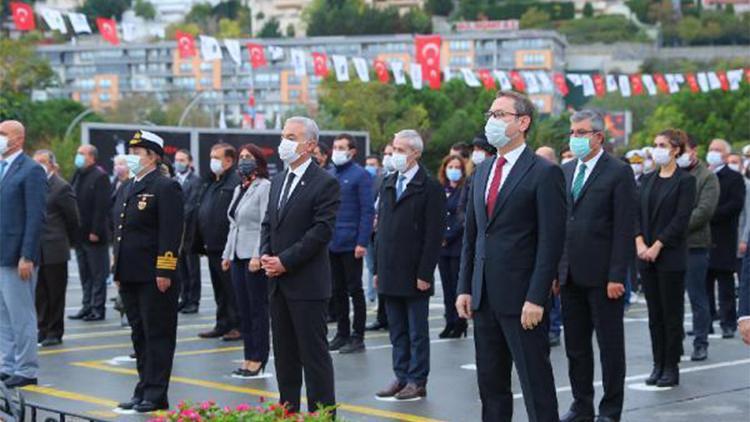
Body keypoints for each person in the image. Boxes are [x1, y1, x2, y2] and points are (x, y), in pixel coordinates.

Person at [457, 91, 565, 422]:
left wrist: (537, 296)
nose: (492, 121)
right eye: (490, 114)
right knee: (491, 386)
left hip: (523, 301)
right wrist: (465, 287)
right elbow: (473, 236)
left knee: (536, 384)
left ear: (523, 122)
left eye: (501, 115)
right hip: (484, 296)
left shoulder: (544, 173)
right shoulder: (483, 171)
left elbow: (551, 242)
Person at [558, 110, 635, 422]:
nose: (575, 138)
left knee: (610, 348)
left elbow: (623, 227)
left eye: (582, 132)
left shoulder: (618, 172)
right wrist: (555, 270)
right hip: (570, 275)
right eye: (573, 132)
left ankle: (611, 409)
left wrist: (617, 274)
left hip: (604, 277)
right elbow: (559, 224)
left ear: (599, 136)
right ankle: (582, 405)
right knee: (575, 348)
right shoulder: (564, 171)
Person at [260, 116, 339, 414]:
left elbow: (320, 232)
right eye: (283, 135)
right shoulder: (278, 180)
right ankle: (288, 412)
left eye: (291, 136)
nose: (284, 142)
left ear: (309, 145)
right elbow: (270, 223)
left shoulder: (325, 183)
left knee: (314, 357)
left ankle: (323, 417)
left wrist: (285, 261)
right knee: (284, 356)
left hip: (307, 284)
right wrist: (267, 255)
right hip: (277, 283)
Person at [112, 130, 184, 413]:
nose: (131, 158)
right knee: (139, 334)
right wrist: (117, 269)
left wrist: (164, 270)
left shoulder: (166, 187)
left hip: (154, 275)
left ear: (152, 156)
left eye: (137, 153)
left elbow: (171, 232)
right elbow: (119, 231)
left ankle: (156, 393)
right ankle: (143, 388)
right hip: (129, 273)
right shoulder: (128, 186)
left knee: (158, 335)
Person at [373, 129, 446, 401]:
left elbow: (433, 235)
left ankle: (417, 379)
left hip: (415, 273)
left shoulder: (429, 187)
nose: (395, 155)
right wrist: (378, 269)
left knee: (417, 332)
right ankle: (400, 376)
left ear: (416, 153)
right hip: (390, 270)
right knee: (398, 331)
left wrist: (425, 273)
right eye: (394, 149)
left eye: (401, 150)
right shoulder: (389, 182)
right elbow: (382, 231)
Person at [636, 129, 696, 388]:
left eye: (662, 144)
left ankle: (671, 365)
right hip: (645, 255)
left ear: (675, 149)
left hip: (669, 255)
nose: (656, 148)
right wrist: (640, 242)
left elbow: (681, 219)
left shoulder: (685, 181)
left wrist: (658, 245)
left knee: (671, 314)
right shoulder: (647, 179)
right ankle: (657, 363)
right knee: (654, 314)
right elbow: (636, 214)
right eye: (655, 144)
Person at [0, 120, 47, 388]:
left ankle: (27, 369)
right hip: (0, 253)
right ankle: (7, 365)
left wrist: (27, 255)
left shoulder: (31, 170)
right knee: (3, 317)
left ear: (18, 139)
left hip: (18, 256)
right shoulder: (2, 167)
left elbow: (35, 217)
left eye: (3, 134)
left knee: (21, 315)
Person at [221, 144, 272, 378]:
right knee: (243, 309)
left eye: (248, 157)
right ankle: (248, 356)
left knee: (257, 310)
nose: (243, 161)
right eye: (241, 157)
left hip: (253, 258)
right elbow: (234, 224)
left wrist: (256, 255)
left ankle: (259, 357)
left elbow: (264, 223)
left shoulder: (264, 187)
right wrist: (226, 254)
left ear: (258, 160)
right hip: (237, 255)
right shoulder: (239, 188)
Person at [327, 134, 374, 354]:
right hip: (332, 242)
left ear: (352, 151)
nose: (337, 150)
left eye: (342, 147)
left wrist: (362, 241)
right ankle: (342, 333)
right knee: (337, 291)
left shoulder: (361, 175)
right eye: (335, 147)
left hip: (351, 242)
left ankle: (358, 336)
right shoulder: (330, 173)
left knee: (355, 289)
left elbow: (367, 210)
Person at [678, 135, 719, 362]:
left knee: (697, 297)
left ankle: (700, 342)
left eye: (683, 149)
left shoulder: (707, 177)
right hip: (671, 246)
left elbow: (703, 211)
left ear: (694, 150)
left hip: (695, 245)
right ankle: (675, 343)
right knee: (672, 299)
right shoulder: (673, 173)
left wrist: (674, 226)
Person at [194, 143, 242, 341]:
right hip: (211, 244)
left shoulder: (235, 181)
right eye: (211, 156)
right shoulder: (213, 181)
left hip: (227, 246)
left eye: (217, 157)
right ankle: (222, 324)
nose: (212, 161)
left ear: (229, 160)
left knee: (232, 289)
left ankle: (238, 325)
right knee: (220, 290)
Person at [33, 150, 80, 347]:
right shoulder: (34, 184)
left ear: (52, 164)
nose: (39, 165)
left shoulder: (61, 187)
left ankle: (55, 331)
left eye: (43, 162)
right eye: (36, 162)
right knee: (40, 292)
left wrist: (67, 242)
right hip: (36, 248)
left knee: (55, 292)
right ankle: (42, 329)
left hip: (55, 247)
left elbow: (73, 218)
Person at [705, 139, 745, 339]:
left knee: (725, 282)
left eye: (717, 150)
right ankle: (706, 321)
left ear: (726, 154)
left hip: (724, 236)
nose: (712, 153)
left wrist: (709, 213)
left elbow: (735, 205)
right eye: (711, 149)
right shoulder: (703, 175)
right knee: (703, 283)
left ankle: (728, 322)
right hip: (703, 236)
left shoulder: (734, 178)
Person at [69, 144, 112, 322]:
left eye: (81, 153)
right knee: (85, 273)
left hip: (94, 235)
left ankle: (97, 308)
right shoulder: (78, 174)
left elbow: (101, 208)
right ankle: (86, 306)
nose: (78, 156)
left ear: (92, 157)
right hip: (79, 234)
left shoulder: (100, 177)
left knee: (97, 274)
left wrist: (95, 230)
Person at [535, 147, 564, 348]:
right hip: (535, 249)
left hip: (556, 250)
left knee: (553, 293)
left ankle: (554, 328)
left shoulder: (556, 179)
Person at [437, 154, 468, 339]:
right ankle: (449, 320)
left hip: (457, 243)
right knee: (447, 288)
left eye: (457, 167)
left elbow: (462, 218)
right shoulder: (442, 189)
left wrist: (448, 236)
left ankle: (460, 321)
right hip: (442, 247)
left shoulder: (464, 190)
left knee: (457, 286)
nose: (453, 171)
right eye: (450, 167)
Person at [366, 144, 396, 332]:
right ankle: (382, 316)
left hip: (391, 236)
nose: (387, 157)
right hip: (374, 235)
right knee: (376, 272)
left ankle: (391, 316)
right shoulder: (378, 179)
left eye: (391, 154)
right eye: (385, 154)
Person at [173, 149, 203, 314]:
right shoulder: (173, 180)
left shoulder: (195, 181)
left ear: (190, 162)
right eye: (177, 159)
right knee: (181, 268)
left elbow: (191, 205)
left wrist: (175, 215)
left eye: (182, 160)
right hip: (177, 232)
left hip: (190, 231)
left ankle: (193, 300)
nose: (179, 163)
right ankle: (184, 298)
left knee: (192, 268)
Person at [364, 154, 383, 304]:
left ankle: (376, 297)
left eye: (373, 164)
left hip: (379, 231)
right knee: (370, 266)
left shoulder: (381, 181)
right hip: (367, 231)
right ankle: (371, 296)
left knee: (377, 266)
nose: (370, 167)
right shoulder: (365, 182)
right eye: (368, 164)